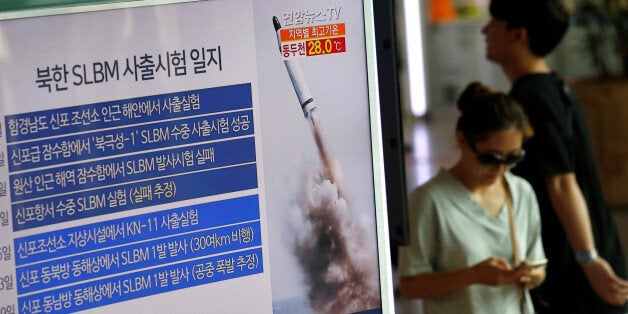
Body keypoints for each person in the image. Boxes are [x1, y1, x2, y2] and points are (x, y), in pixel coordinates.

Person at [481, 0, 628, 313]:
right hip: (589, 242)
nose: (484, 30)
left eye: (493, 22)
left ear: (518, 34)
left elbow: (561, 181)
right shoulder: (555, 85)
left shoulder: (531, 98)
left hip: (570, 259)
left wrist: (588, 258)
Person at [398, 82, 546, 314]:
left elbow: (539, 268)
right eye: (490, 158)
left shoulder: (520, 192)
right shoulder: (429, 200)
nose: (500, 168)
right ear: (462, 140)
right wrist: (473, 275)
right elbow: (410, 286)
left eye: (512, 158)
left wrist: (530, 276)